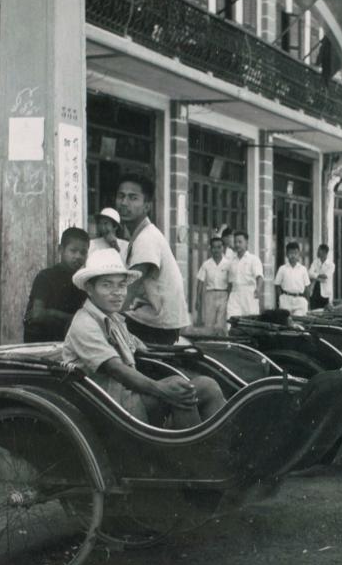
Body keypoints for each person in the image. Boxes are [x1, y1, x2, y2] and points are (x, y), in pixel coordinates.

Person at [63, 248, 225, 428]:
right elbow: (116, 369)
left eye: (121, 285)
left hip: (125, 396)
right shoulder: (85, 323)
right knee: (179, 389)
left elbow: (138, 346)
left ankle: (221, 448)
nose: (117, 292)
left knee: (206, 386)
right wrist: (162, 389)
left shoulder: (113, 319)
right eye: (107, 285)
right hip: (107, 406)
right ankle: (193, 453)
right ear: (89, 289)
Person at [117, 177, 191, 345]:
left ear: (147, 206)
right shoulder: (139, 235)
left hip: (157, 324)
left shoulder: (147, 238)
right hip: (154, 318)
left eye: (133, 198)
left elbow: (129, 290)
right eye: (121, 196)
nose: (124, 202)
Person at [23, 227, 90, 342]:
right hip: (41, 343)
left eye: (83, 252)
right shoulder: (46, 277)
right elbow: (37, 315)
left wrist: (50, 313)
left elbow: (87, 319)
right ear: (61, 250)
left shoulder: (84, 282)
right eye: (73, 251)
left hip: (69, 343)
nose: (78, 256)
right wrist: (73, 318)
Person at [194, 236, 231, 331]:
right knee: (209, 322)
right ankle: (210, 343)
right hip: (210, 294)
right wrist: (198, 299)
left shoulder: (228, 264)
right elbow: (200, 281)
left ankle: (221, 344)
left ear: (223, 248)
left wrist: (230, 296)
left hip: (224, 294)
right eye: (214, 247)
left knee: (221, 323)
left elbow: (231, 281)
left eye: (219, 247)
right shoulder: (206, 264)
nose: (217, 250)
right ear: (210, 248)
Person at [227, 230, 264, 318]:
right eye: (235, 242)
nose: (237, 245)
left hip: (249, 293)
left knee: (250, 321)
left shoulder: (253, 259)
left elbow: (259, 276)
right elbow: (229, 281)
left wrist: (258, 290)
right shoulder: (232, 261)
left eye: (240, 242)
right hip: (235, 293)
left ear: (246, 243)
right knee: (232, 319)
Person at [273, 242, 312, 316]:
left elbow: (307, 287)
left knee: (300, 320)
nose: (293, 256)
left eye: (295, 253)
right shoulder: (282, 269)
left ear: (299, 255)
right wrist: (280, 298)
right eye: (290, 253)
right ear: (287, 255)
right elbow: (277, 285)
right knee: (286, 321)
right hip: (286, 299)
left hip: (300, 299)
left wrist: (307, 302)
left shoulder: (303, 269)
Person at [307, 243, 334, 310]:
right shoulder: (315, 262)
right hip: (314, 290)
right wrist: (318, 276)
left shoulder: (331, 265)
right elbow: (309, 273)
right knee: (314, 309)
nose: (317, 252)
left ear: (324, 252)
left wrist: (315, 275)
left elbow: (325, 276)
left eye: (319, 250)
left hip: (325, 292)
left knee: (324, 311)